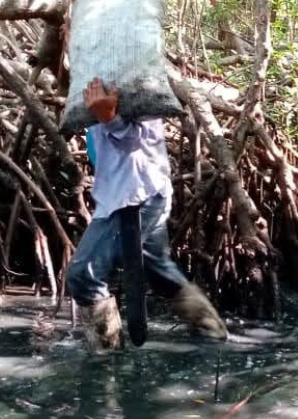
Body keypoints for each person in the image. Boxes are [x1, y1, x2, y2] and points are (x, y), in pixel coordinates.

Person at [67, 78, 228, 350]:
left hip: (133, 196)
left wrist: (110, 119)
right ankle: (213, 335)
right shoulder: (92, 64)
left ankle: (106, 360)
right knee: (158, 270)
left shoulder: (129, 64)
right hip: (139, 190)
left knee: (83, 275)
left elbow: (139, 139)